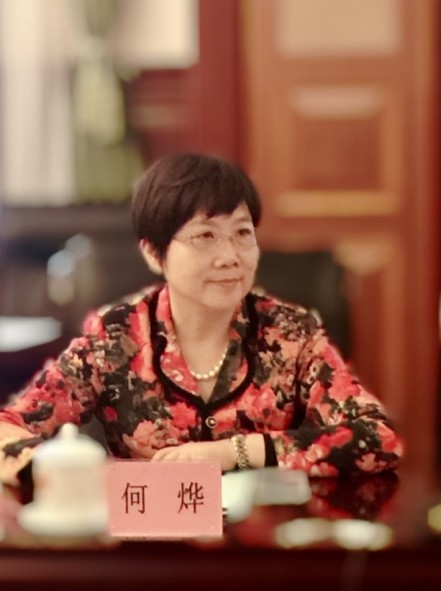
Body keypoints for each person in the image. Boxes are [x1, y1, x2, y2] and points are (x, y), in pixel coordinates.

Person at [0, 153, 403, 485]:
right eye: (205, 236)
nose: (230, 256)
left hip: (264, 546)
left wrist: (235, 452)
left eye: (242, 233)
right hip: (150, 547)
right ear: (153, 253)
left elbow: (380, 438)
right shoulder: (115, 338)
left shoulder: (290, 334)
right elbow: (9, 428)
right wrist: (73, 475)